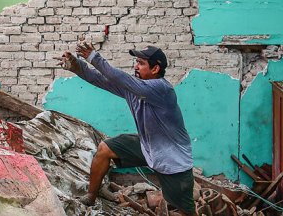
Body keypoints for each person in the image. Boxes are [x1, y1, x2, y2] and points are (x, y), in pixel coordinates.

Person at [57, 43, 195, 215]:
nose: (136, 66)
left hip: (173, 160)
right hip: (148, 145)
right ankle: (91, 196)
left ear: (155, 68)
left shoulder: (162, 89)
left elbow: (119, 77)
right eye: (136, 62)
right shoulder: (134, 89)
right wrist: (77, 66)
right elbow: (100, 80)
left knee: (184, 212)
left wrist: (94, 57)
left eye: (141, 63)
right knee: (105, 149)